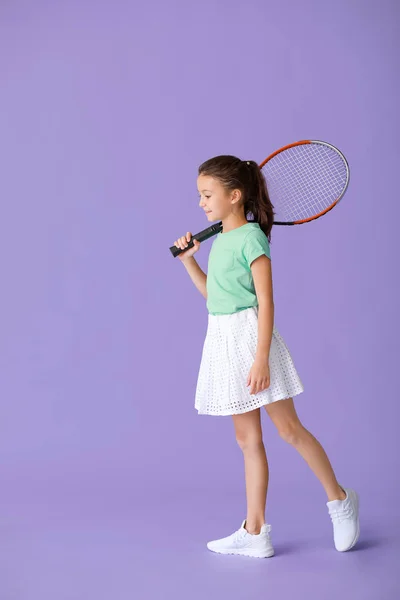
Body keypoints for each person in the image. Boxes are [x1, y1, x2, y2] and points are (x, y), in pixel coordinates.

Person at [173, 155, 360, 558]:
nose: (202, 204)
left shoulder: (252, 239)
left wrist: (260, 359)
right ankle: (255, 531)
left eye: (208, 195)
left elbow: (267, 303)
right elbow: (217, 300)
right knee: (247, 440)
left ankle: (340, 499)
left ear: (235, 196)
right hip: (222, 340)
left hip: (252, 341)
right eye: (200, 196)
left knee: (289, 430)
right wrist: (189, 262)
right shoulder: (220, 240)